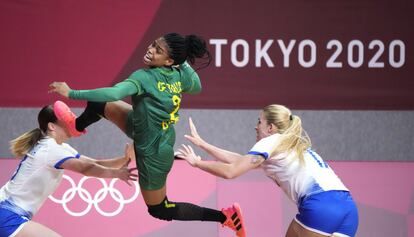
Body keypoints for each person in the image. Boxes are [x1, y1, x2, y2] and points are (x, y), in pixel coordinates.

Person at [48, 33, 246, 237]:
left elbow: (114, 94)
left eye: (158, 50)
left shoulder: (144, 77)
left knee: (160, 209)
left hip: (154, 154)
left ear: (169, 61)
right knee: (98, 103)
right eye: (153, 44)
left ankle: (226, 217)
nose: (150, 50)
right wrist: (183, 61)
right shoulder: (179, 75)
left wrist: (72, 93)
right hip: (140, 124)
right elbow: (197, 85)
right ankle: (75, 127)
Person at [177, 104, 359, 237]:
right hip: (349, 209)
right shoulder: (293, 146)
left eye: (260, 122)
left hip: (320, 206)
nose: (256, 126)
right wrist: (203, 144)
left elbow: (231, 171)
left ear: (270, 128)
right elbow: (240, 160)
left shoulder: (270, 141)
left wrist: (196, 163)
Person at [0, 101, 138, 237]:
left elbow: (95, 162)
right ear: (52, 126)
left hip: (10, 214)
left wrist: (125, 159)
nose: (71, 122)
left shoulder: (59, 148)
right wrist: (116, 174)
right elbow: (86, 169)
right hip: (8, 214)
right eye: (65, 120)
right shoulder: (51, 149)